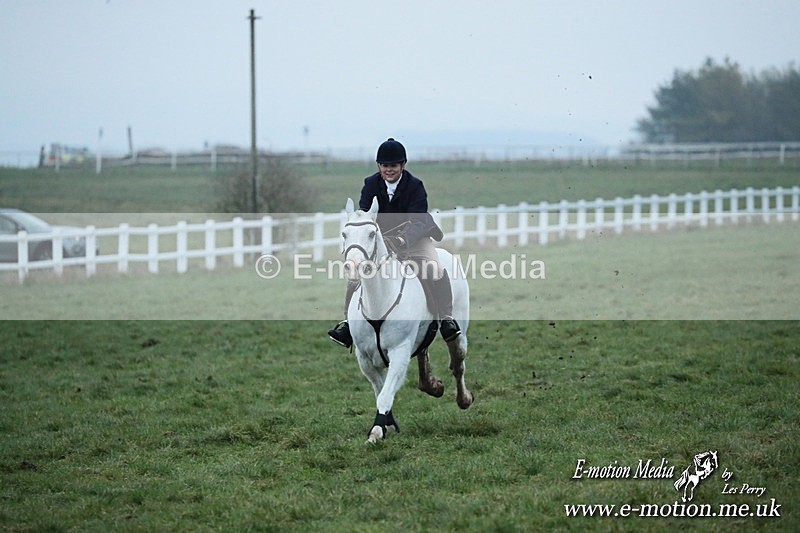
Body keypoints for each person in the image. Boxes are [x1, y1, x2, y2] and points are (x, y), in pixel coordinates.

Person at [328, 138, 461, 348]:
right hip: (382, 239)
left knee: (434, 268)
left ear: (402, 165)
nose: (389, 170)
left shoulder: (415, 186)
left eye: (393, 166)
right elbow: (366, 217)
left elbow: (418, 220)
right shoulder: (371, 184)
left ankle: (446, 319)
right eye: (385, 166)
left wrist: (402, 239)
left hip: (414, 237)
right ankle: (347, 324)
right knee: (356, 272)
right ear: (379, 166)